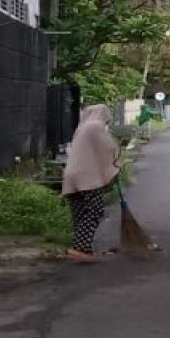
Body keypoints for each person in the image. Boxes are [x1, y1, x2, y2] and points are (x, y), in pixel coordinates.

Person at [62, 104, 120, 263]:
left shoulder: (81, 128)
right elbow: (110, 148)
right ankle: (80, 248)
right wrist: (115, 167)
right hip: (87, 177)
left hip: (72, 175)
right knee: (95, 210)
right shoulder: (95, 127)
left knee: (80, 213)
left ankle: (82, 248)